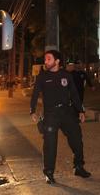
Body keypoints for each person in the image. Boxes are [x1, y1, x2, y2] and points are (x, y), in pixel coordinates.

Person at [30, 50, 91, 184]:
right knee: (50, 144)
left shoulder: (66, 75)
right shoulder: (42, 76)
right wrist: (32, 111)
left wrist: (80, 111)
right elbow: (35, 94)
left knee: (77, 139)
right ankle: (49, 173)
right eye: (45, 59)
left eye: (48, 59)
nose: (46, 62)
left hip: (67, 112)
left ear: (57, 61)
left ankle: (79, 166)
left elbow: (74, 94)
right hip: (51, 114)